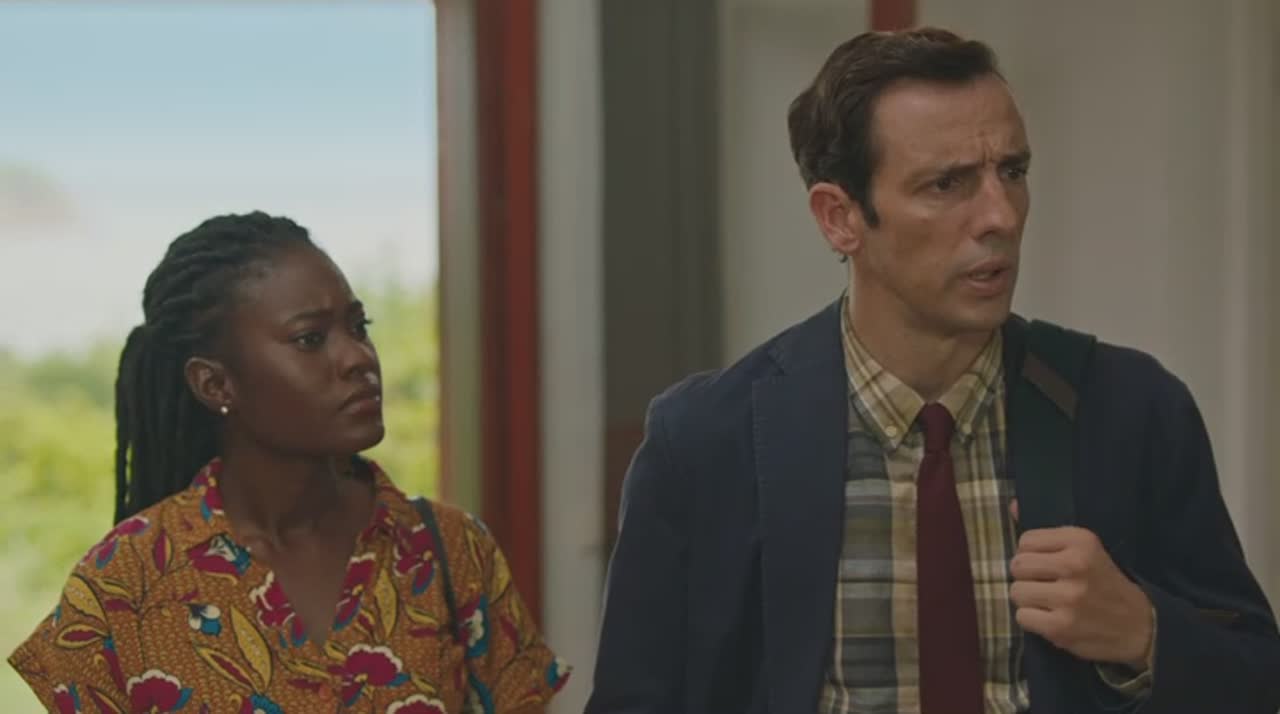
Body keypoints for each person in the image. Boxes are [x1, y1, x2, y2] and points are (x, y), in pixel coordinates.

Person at [586, 27, 1280, 714]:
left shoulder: (1132, 410)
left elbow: (1257, 679)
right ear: (840, 218)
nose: (1000, 216)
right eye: (947, 184)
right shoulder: (705, 442)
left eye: (1013, 172)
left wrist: (1144, 634)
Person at [9, 212, 569, 713]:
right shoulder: (121, 586)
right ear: (215, 384)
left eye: (359, 327)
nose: (358, 357)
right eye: (310, 339)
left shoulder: (450, 550)